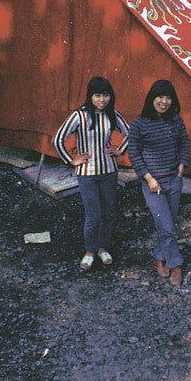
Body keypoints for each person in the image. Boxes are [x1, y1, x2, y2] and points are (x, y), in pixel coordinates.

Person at [53, 76, 129, 271]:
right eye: (97, 95)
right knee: (93, 215)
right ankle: (90, 251)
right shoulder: (79, 115)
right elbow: (58, 139)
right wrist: (71, 160)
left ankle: (103, 248)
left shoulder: (113, 114)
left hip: (109, 172)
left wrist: (119, 150)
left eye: (105, 95)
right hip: (87, 173)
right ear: (90, 96)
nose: (102, 100)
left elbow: (131, 133)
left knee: (109, 214)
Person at [128, 79, 190, 289]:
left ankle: (158, 256)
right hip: (153, 185)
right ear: (151, 98)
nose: (164, 102)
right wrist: (148, 178)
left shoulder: (175, 120)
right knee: (166, 225)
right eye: (160, 97)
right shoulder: (139, 124)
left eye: (168, 98)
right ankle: (175, 264)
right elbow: (134, 154)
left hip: (174, 180)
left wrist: (182, 164)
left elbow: (185, 142)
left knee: (167, 224)